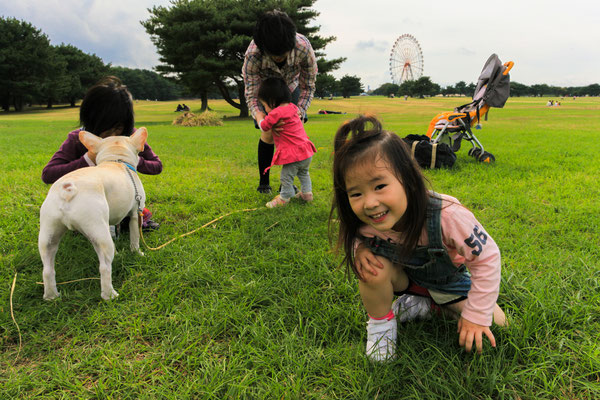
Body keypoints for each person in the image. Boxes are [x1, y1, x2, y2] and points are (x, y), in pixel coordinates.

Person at [330, 115, 506, 362]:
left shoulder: (447, 215)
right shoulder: (365, 222)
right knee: (372, 269)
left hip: (448, 283)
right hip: (404, 279)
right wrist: (360, 249)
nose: (369, 204)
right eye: (356, 193)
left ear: (408, 179)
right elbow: (358, 234)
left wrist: (476, 315)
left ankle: (428, 305)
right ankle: (381, 327)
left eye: (380, 186)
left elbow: (487, 257)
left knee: (498, 324)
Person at [42, 76, 162, 232]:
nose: (112, 135)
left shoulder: (128, 139)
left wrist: (132, 159)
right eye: (106, 129)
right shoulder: (77, 139)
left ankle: (128, 218)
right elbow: (48, 174)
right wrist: (88, 159)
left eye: (117, 128)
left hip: (120, 199)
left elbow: (157, 166)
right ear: (91, 122)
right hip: (88, 204)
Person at [242, 9, 318, 194]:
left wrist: (300, 110)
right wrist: (258, 114)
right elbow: (251, 92)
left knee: (290, 134)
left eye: (282, 53)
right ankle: (264, 183)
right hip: (265, 90)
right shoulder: (253, 54)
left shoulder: (303, 47)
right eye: (274, 55)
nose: (279, 58)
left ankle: (288, 183)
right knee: (268, 134)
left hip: (290, 88)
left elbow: (308, 85)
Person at [257, 77, 315, 208]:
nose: (265, 109)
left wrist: (260, 117)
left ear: (271, 102)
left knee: (286, 177)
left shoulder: (275, 113)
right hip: (306, 151)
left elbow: (265, 127)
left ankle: (284, 197)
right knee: (304, 173)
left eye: (264, 105)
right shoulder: (293, 107)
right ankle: (307, 194)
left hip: (294, 155)